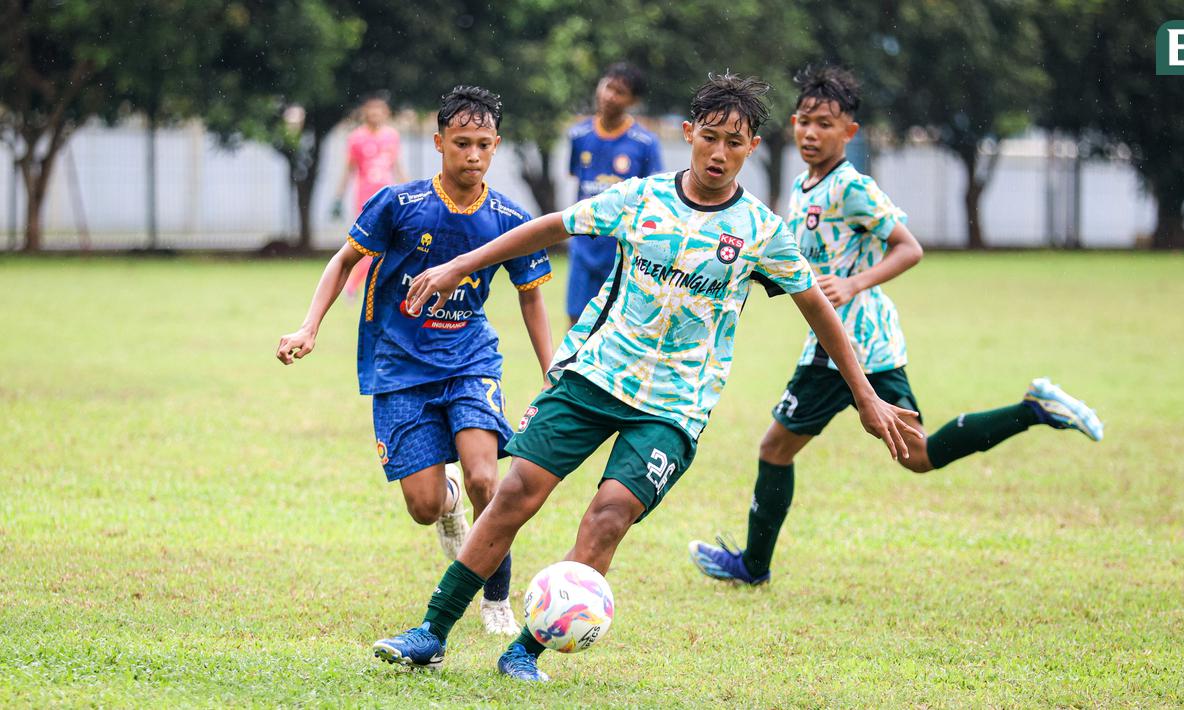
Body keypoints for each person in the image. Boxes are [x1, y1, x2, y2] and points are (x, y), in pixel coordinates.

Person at [371, 73, 922, 683]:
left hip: (673, 408)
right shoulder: (641, 198)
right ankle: (432, 631)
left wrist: (866, 397)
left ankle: (525, 649)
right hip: (594, 377)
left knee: (609, 515)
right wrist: (460, 264)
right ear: (688, 135)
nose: (718, 153)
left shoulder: (762, 231)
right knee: (515, 493)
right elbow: (551, 226)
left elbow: (818, 306)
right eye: (708, 138)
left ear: (753, 149)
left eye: (733, 144)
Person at [687, 66, 1105, 586]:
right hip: (867, 343)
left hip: (846, 343)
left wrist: (855, 283)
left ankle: (753, 565)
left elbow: (909, 248)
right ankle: (1032, 409)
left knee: (776, 447)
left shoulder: (851, 187)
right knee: (919, 455)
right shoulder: (802, 185)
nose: (813, 133)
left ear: (850, 133)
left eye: (827, 124)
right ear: (793, 124)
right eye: (806, 122)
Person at [276, 86, 555, 636]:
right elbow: (342, 261)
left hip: (470, 359)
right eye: (461, 143)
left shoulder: (509, 219)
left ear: (496, 146)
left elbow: (531, 297)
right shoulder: (398, 205)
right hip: (399, 366)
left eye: (483, 144)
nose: (472, 155)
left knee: (484, 476)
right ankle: (446, 502)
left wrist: (552, 373)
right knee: (424, 506)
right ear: (438, 143)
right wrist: (310, 326)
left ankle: (496, 598)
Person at [566, 62, 662, 325]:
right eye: (608, 86)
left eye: (620, 91)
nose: (610, 96)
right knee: (576, 318)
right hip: (584, 245)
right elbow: (578, 180)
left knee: (615, 321)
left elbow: (651, 197)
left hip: (621, 248)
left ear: (633, 100)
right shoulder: (579, 135)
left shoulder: (645, 144)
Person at [331, 94, 408, 299]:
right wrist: (339, 197)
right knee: (367, 243)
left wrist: (409, 189)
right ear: (365, 112)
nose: (375, 113)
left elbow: (397, 165)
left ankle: (370, 287)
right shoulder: (356, 137)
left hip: (390, 197)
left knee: (391, 243)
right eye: (371, 109)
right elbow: (349, 169)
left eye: (379, 109)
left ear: (386, 113)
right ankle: (352, 285)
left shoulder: (392, 135)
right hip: (366, 197)